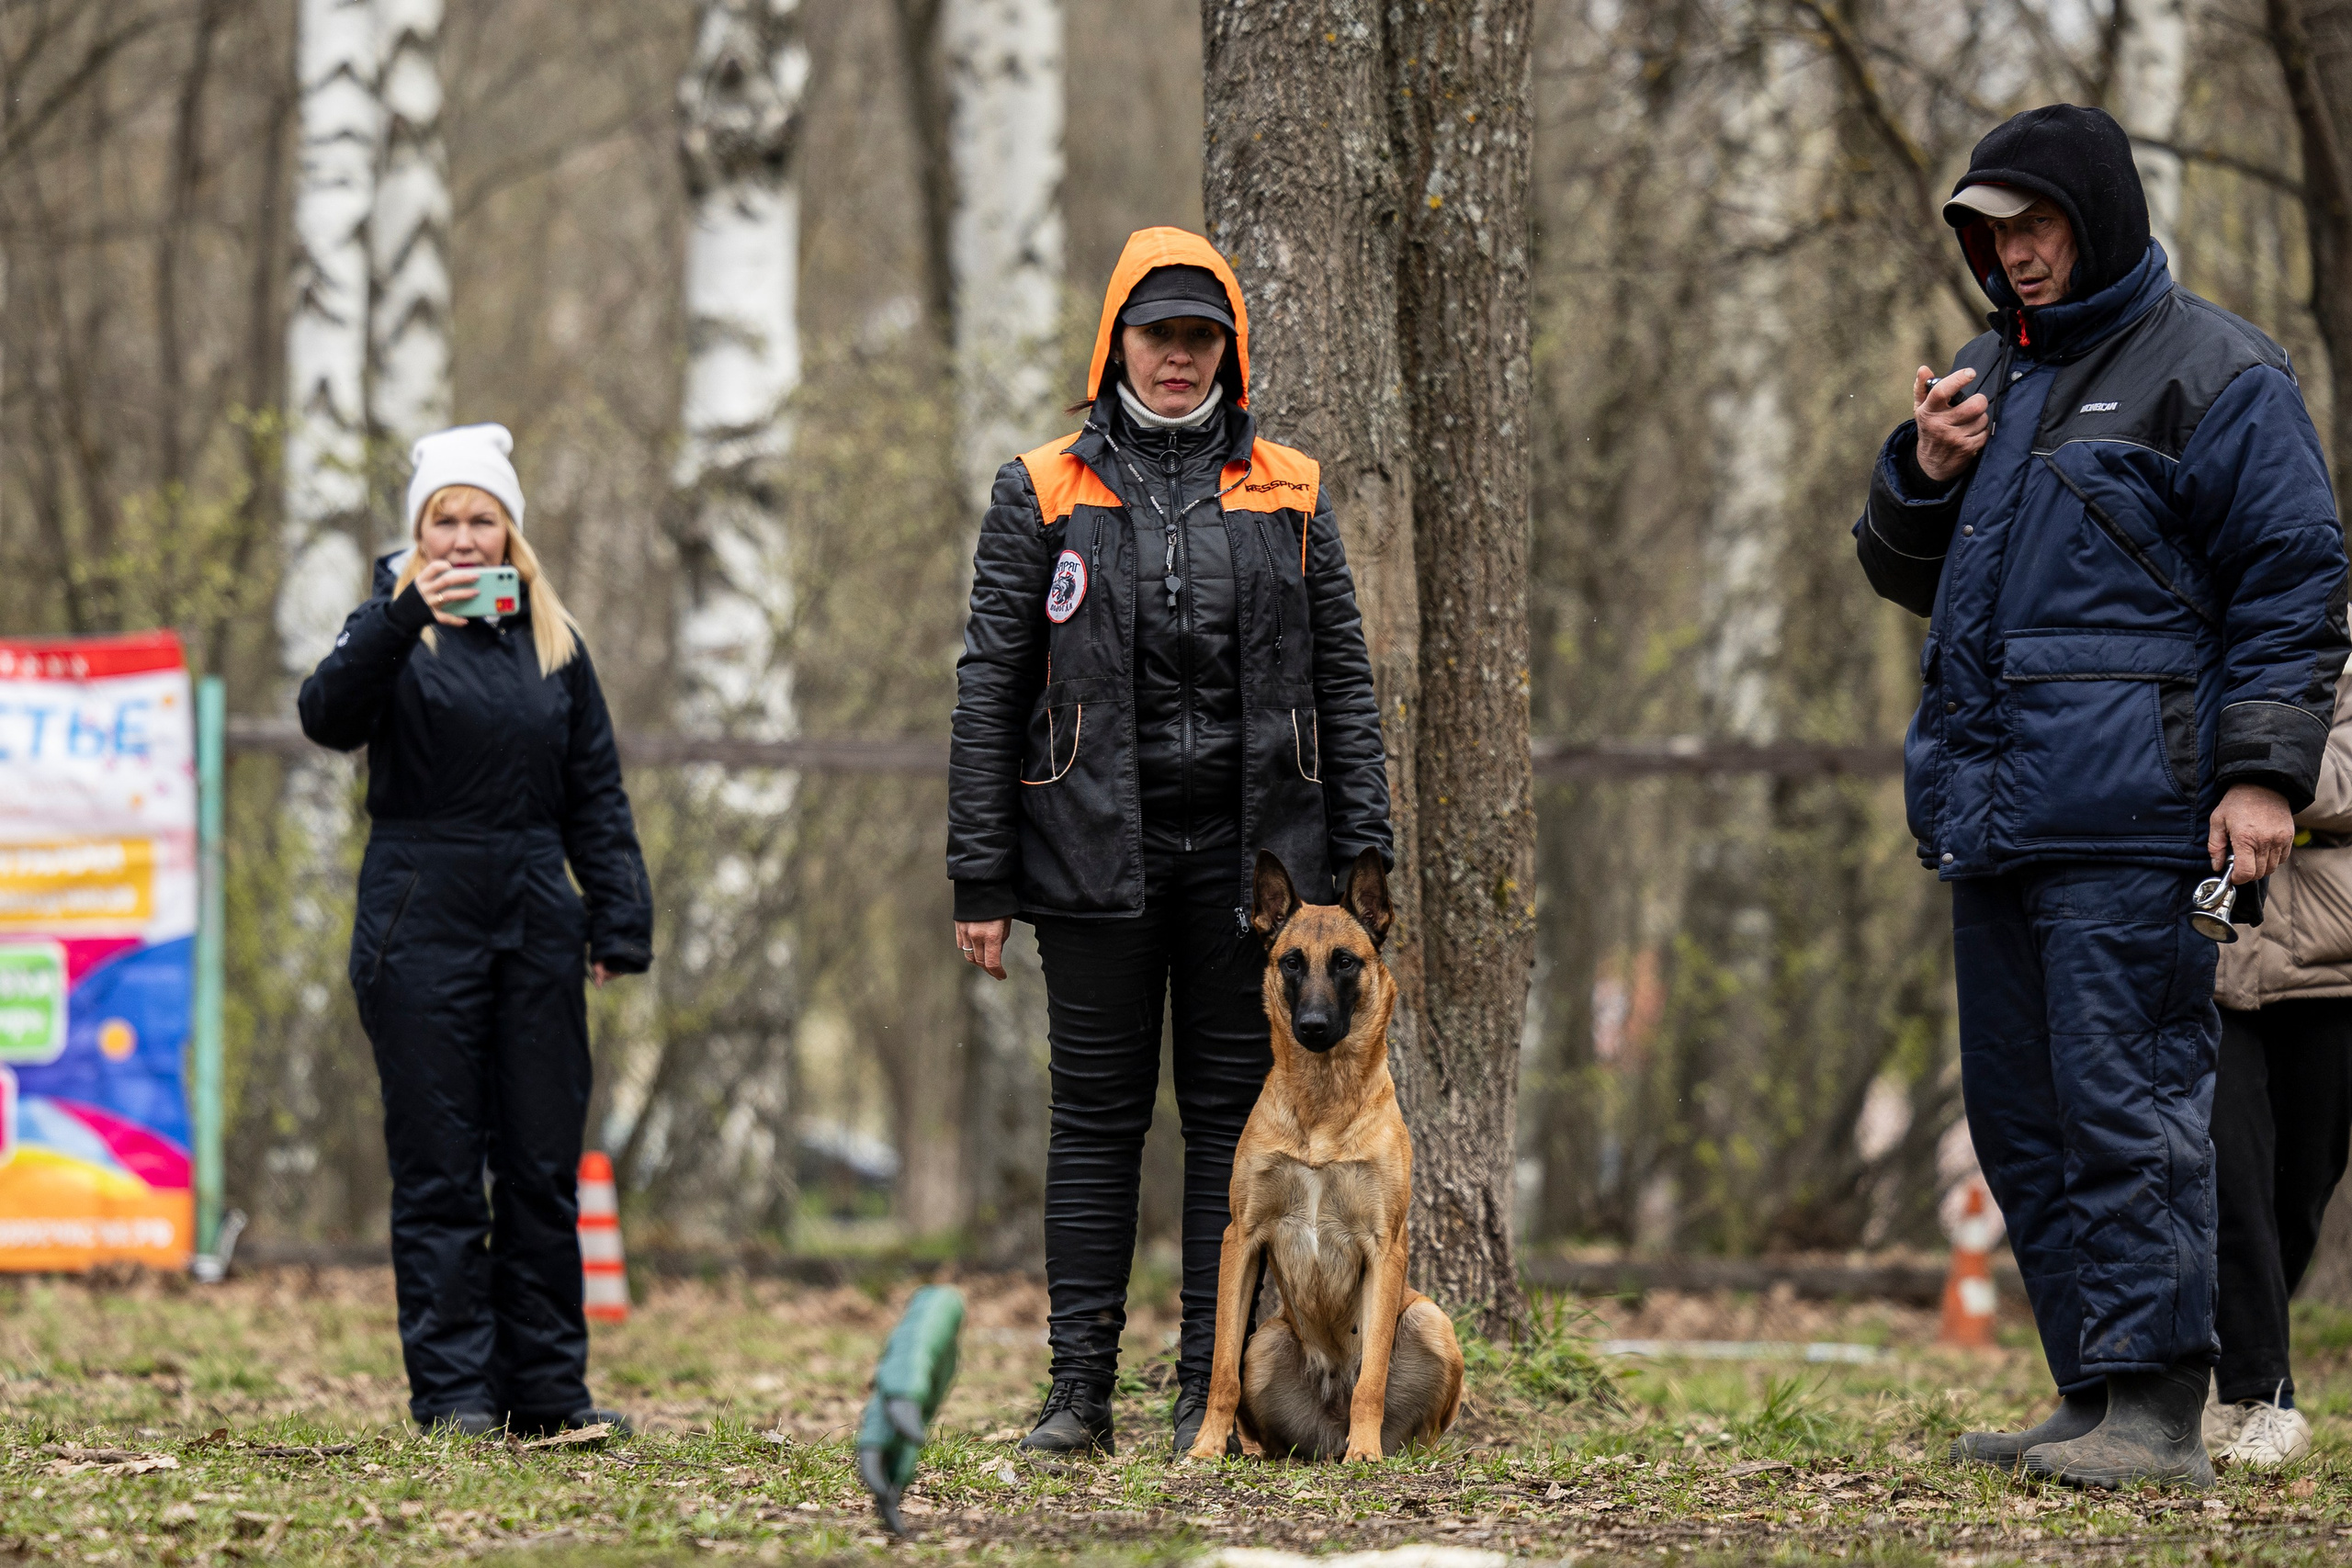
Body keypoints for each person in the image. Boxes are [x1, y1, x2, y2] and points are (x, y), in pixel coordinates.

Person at [1855, 105, 2348, 1488]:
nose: (2014, 257)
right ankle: (2087, 1390)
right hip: (1993, 812)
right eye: (1993, 235)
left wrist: (2262, 773)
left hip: (2140, 813)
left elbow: (2294, 582)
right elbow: (1908, 575)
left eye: (2038, 227)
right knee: (2025, 1116)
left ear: (2102, 217)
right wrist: (1922, 475)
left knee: (2134, 1103)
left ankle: (2157, 1403)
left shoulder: (2222, 370)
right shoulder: (1983, 377)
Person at [947, 228, 1391, 1456]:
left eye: (1201, 337)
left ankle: (1213, 1385)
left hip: (1257, 869)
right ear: (1118, 344)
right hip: (1092, 853)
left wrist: (1364, 856)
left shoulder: (1291, 491)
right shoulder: (1041, 487)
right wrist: (979, 871)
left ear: (1228, 350)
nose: (1180, 357)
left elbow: (1344, 683)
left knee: (1223, 1121)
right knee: (1092, 1119)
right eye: (1159, 335)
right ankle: (1076, 1390)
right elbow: (991, 685)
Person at [299, 423, 653, 1438]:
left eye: (480, 519)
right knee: (441, 1170)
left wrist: (619, 915)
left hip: (538, 916)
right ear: (418, 534)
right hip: (418, 916)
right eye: (442, 520)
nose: (461, 538)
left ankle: (547, 1395)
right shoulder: (384, 627)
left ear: (510, 535)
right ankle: (454, 1396)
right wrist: (403, 614)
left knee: (542, 1167)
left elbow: (596, 788)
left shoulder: (558, 641)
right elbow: (325, 715)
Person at [2204, 662, 2352, 1468]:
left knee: (2303, 1185)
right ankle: (2260, 1392)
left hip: (2332, 954)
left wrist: (2255, 770)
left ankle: (2241, 1356)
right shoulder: (2187, 636)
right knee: (2231, 1171)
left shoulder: (2346, 651)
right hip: (2214, 956)